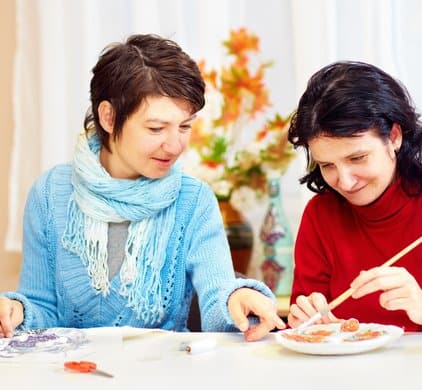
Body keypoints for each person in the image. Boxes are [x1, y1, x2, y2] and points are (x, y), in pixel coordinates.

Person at [0, 34, 284, 341]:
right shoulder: (49, 193)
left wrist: (236, 299)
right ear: (108, 117)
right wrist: (16, 310)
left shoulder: (194, 200)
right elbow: (42, 308)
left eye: (185, 126)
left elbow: (217, 299)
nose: (175, 145)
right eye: (156, 128)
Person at [287, 61, 422, 331]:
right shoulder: (321, 214)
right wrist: (303, 318)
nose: (345, 182)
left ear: (393, 137)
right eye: (327, 165)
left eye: (357, 157)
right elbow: (302, 322)